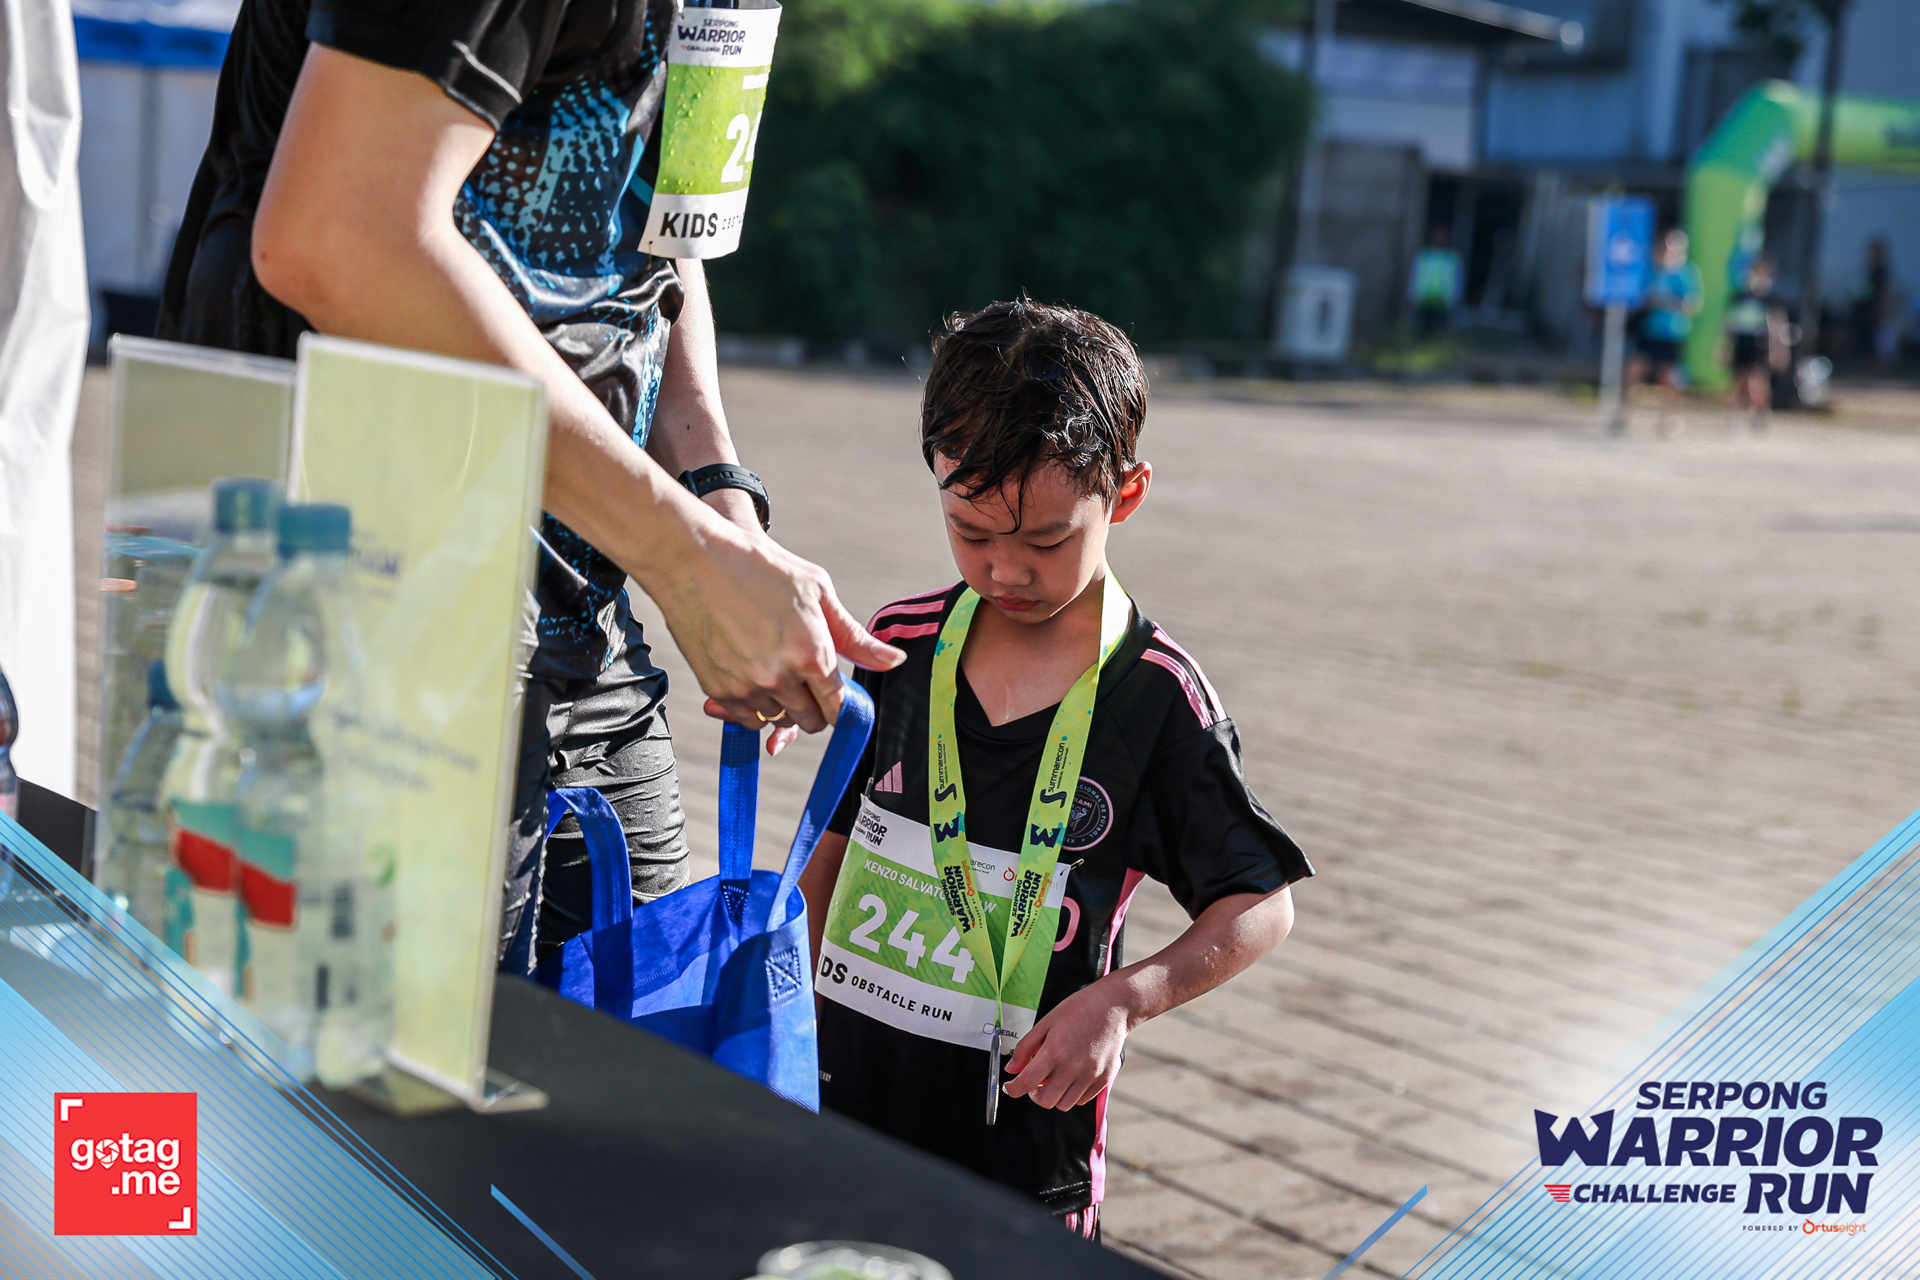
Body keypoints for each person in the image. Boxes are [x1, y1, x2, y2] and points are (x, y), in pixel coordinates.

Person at [156, 0, 903, 972]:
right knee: (334, 1059)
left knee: (634, 1039)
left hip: (579, 596)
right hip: (343, 602)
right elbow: (335, 233)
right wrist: (685, 559)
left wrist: (723, 513)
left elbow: (660, 228)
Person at [797, 300, 1311, 1238]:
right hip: (845, 1116)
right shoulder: (901, 644)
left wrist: (1125, 999)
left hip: (1024, 1164)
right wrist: (782, 991)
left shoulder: (1157, 699)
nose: (1007, 572)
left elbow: (1259, 903)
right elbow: (834, 843)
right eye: (970, 532)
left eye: (1046, 541)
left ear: (1125, 494)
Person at [1624, 229, 1703, 437]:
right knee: (1634, 370)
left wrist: (1665, 301)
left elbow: (1693, 303)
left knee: (1669, 378)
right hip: (1649, 331)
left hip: (1672, 333)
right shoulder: (1653, 270)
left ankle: (1670, 418)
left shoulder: (1685, 272)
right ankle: (1625, 415)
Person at [1723, 255, 1789, 434]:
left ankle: (1761, 413)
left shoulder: (1772, 298)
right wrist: (1725, 346)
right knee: (1741, 381)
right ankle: (1737, 418)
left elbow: (1779, 325)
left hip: (1761, 344)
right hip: (1742, 341)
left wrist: (1779, 349)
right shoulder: (1740, 295)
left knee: (1758, 382)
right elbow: (1729, 323)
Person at [1408, 226, 1462, 340]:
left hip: (1443, 301)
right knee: (1421, 330)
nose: (1440, 239)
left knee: (1440, 331)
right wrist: (1413, 294)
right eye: (1437, 236)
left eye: (1443, 236)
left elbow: (1457, 279)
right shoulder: (1423, 255)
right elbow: (1414, 275)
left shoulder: (1452, 257)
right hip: (1424, 298)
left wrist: (1454, 298)